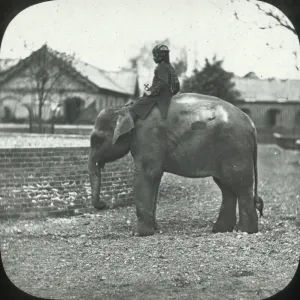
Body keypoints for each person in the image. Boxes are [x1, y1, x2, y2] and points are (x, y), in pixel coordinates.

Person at [130, 44, 180, 121]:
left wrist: (150, 92)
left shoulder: (161, 67)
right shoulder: (169, 66)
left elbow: (162, 83)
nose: (154, 56)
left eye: (155, 54)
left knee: (135, 107)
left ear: (160, 55)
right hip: (167, 94)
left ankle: (130, 130)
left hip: (161, 96)